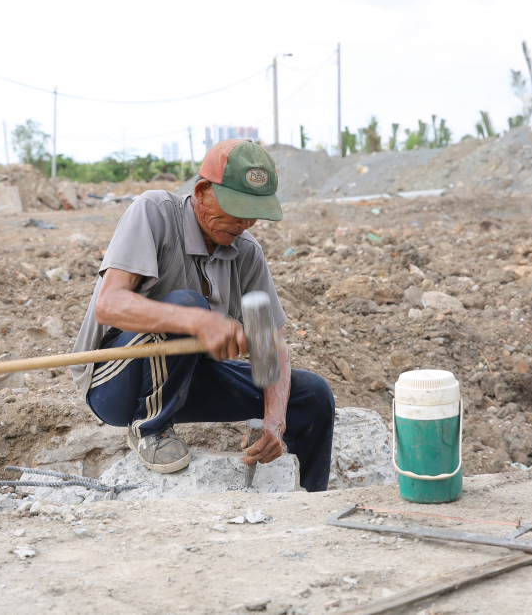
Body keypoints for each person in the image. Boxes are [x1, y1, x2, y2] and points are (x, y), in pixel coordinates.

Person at [70, 140, 335, 492]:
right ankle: (150, 429)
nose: (245, 222)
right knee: (188, 305)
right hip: (117, 382)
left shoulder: (246, 253)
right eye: (235, 209)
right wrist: (200, 321)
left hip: (186, 378)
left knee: (312, 394)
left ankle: (312, 500)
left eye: (253, 212)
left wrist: (274, 419)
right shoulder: (155, 212)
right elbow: (110, 304)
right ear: (202, 191)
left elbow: (269, 346)